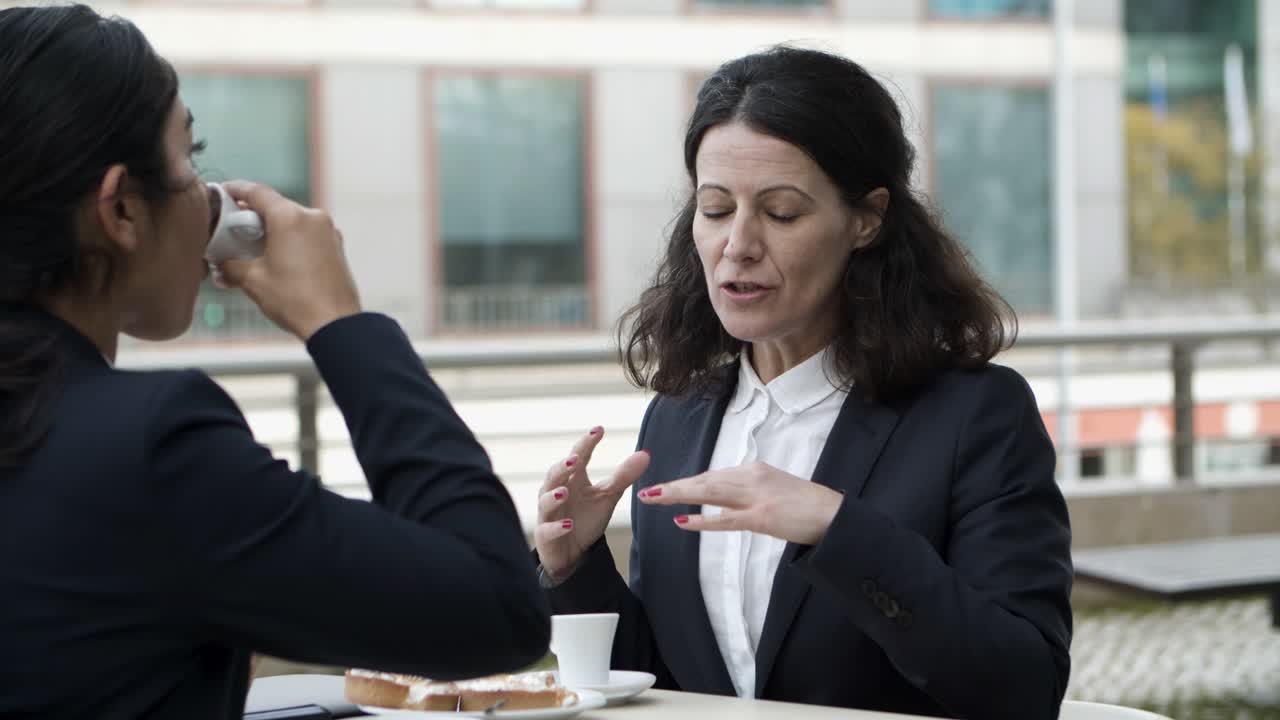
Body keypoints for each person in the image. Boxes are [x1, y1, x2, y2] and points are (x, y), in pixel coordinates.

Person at [0, 5, 549, 718]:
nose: (210, 197)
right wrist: (341, 323)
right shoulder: (151, 450)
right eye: (189, 160)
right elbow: (496, 608)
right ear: (122, 210)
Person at [533, 46, 1073, 720]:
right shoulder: (676, 418)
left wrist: (838, 530)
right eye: (716, 208)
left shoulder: (975, 416)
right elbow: (671, 682)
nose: (738, 244)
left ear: (867, 219)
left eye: (781, 213)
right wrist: (575, 564)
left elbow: (1024, 685)